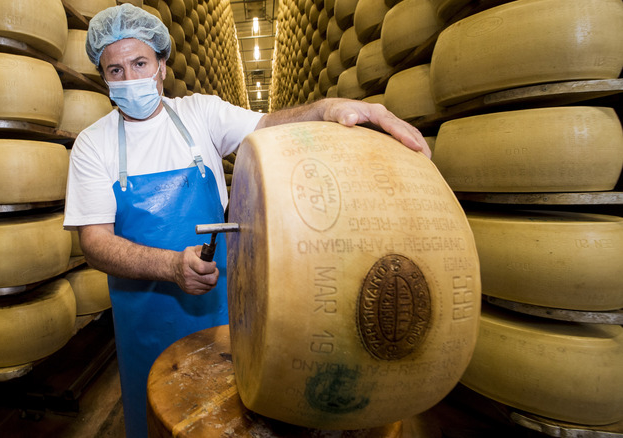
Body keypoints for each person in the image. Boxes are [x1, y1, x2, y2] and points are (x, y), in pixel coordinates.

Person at [63, 4, 430, 436]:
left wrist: (329, 107)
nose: (130, 79)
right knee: (156, 420)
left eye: (140, 63)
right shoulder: (93, 144)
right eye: (116, 71)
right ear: (103, 78)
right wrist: (169, 266)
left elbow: (271, 124)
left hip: (217, 305)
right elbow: (95, 243)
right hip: (143, 317)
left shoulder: (200, 114)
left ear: (162, 65)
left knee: (221, 417)